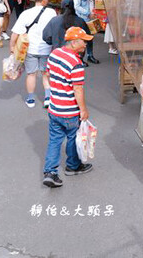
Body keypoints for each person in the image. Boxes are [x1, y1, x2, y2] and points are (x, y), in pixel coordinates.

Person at [42, 26, 94, 188]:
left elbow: (48, 75)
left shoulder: (54, 54)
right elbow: (78, 89)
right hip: (70, 110)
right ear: (73, 43)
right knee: (73, 138)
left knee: (55, 140)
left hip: (54, 108)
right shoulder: (76, 63)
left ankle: (50, 172)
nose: (85, 45)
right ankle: (73, 166)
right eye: (83, 42)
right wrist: (83, 110)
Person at [10, 0, 57, 109]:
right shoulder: (51, 12)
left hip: (30, 48)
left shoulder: (26, 13)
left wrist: (12, 47)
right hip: (46, 48)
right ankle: (48, 98)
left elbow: (15, 33)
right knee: (46, 73)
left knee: (31, 74)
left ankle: (30, 99)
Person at [72, 0, 99, 64]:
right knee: (82, 38)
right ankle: (80, 58)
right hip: (82, 18)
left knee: (90, 37)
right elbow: (77, 6)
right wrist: (87, 13)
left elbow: (91, 2)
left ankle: (90, 55)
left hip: (90, 18)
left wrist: (93, 12)